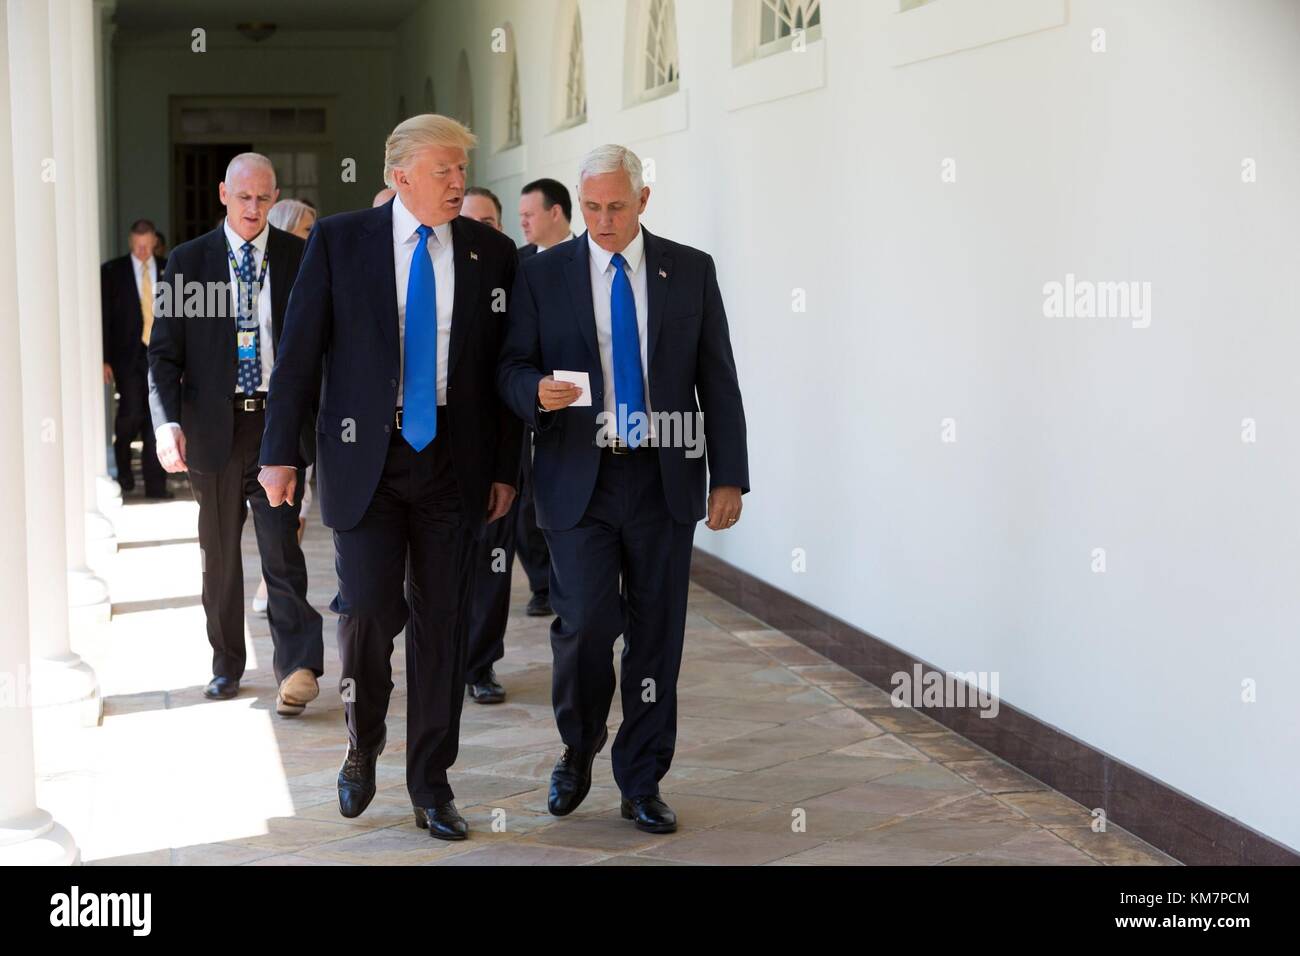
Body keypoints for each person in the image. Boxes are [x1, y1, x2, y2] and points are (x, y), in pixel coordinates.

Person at [258, 115, 522, 841]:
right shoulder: (343, 243)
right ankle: (363, 738)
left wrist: (505, 468)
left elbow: (500, 370)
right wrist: (281, 454)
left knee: (443, 624)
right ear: (399, 176)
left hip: (452, 463)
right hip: (364, 461)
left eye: (461, 172)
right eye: (443, 171)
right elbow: (301, 355)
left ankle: (432, 783)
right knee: (369, 613)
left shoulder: (489, 253)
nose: (457, 184)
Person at [498, 144, 749, 835]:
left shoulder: (689, 270)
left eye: (615, 206)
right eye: (591, 208)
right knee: (584, 628)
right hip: (578, 477)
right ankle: (578, 748)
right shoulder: (543, 275)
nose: (603, 221)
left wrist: (728, 475)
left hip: (663, 479)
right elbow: (511, 366)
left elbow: (716, 378)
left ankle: (642, 780)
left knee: (656, 636)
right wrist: (534, 393)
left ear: (642, 201)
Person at [147, 153, 325, 716]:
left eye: (264, 199)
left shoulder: (300, 257)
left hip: (277, 424)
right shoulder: (187, 260)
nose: (253, 209)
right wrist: (166, 421)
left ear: (275, 198)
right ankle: (226, 663)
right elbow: (163, 353)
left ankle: (297, 667)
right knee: (219, 555)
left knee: (281, 547)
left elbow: (323, 347)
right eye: (243, 197)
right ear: (223, 194)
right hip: (212, 427)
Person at [511, 179, 576, 619]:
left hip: (582, 409)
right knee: (525, 495)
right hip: (531, 398)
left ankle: (569, 578)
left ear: (556, 213)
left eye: (530, 215)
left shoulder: (588, 259)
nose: (524, 223)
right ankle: (541, 582)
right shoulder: (517, 266)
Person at [101, 218, 170, 499]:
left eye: (147, 246)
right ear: (131, 242)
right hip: (127, 355)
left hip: (161, 353)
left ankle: (156, 486)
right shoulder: (112, 271)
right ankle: (125, 474)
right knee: (130, 414)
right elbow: (103, 318)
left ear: (154, 241)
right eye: (138, 246)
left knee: (160, 417)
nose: (142, 251)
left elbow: (181, 315)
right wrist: (103, 358)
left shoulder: (170, 268)